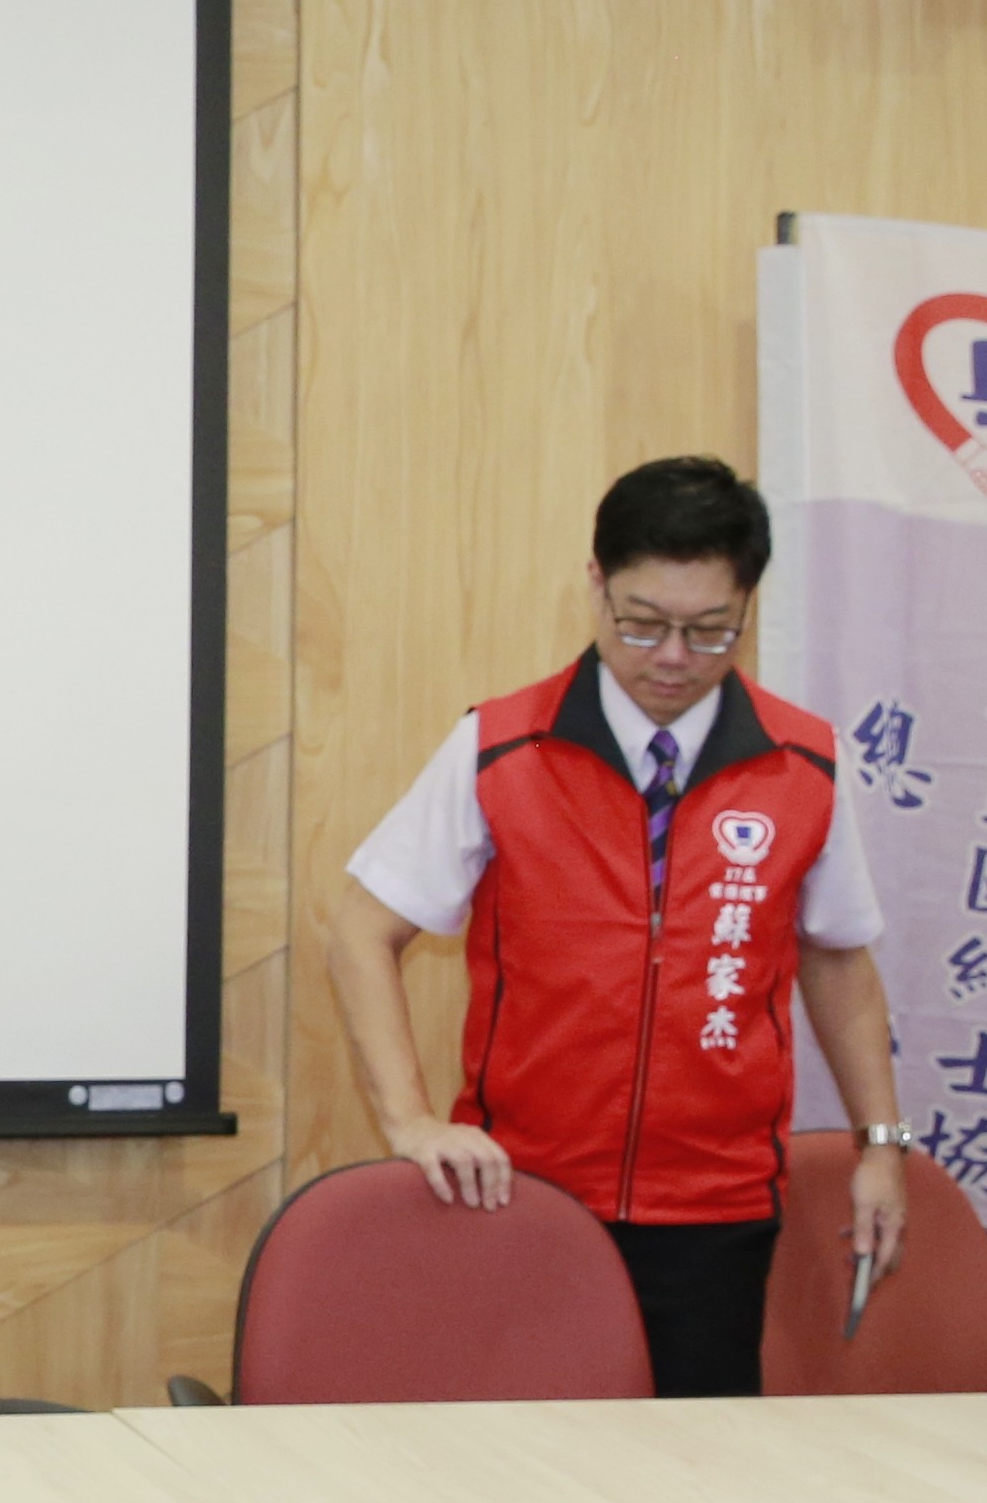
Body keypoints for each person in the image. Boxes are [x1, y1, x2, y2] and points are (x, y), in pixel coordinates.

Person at [321, 455, 913, 1396]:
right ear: (594, 585)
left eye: (709, 631)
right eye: (641, 623)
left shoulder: (805, 762)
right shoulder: (501, 747)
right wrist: (410, 1121)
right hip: (521, 1192)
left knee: (690, 1465)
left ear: (747, 605)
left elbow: (837, 959)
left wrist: (880, 1145)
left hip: (715, 1209)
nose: (671, 658)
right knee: (518, 1456)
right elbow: (362, 928)